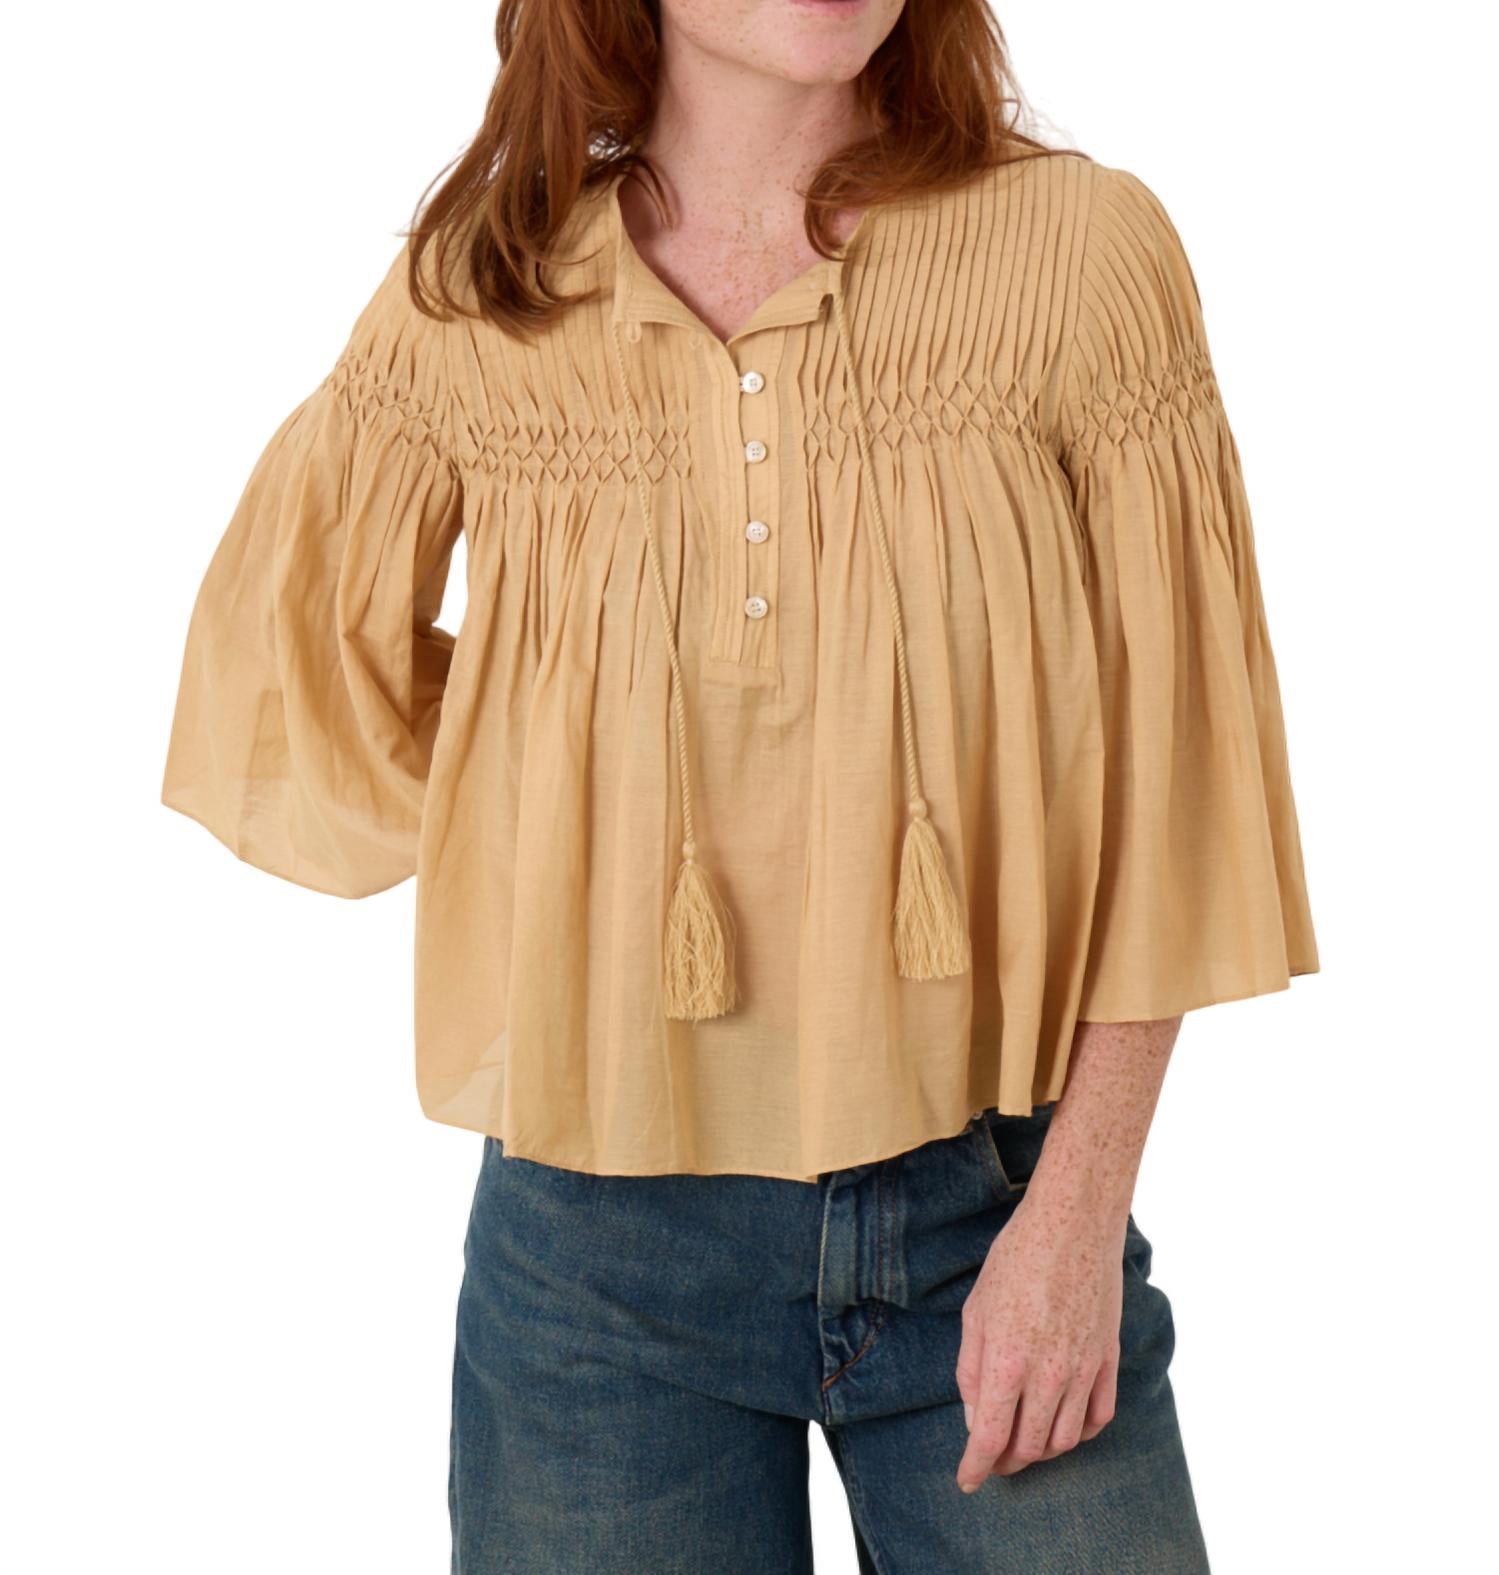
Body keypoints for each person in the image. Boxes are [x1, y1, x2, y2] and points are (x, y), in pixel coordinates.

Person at [160, 2, 1319, 1569]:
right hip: (593, 1253)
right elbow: (287, 658)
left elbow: (1184, 772)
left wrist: (1075, 1222)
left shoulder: (1076, 254)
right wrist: (554, 788)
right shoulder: (486, 294)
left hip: (998, 1200)